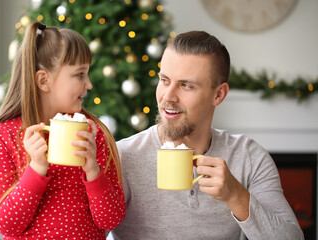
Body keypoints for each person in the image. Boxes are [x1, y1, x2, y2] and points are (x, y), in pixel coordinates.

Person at [111, 31, 304, 240]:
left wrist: (236, 196)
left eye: (186, 85)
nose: (168, 96)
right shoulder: (123, 156)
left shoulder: (248, 157)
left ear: (218, 94)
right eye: (165, 80)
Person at [0, 22, 125, 239]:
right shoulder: (1, 137)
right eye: (79, 75)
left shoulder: (94, 135)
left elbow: (111, 220)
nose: (89, 84)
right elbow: (6, 225)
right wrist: (36, 168)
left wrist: (93, 170)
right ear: (43, 80)